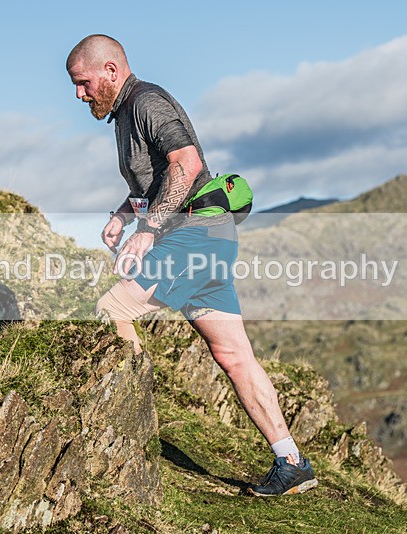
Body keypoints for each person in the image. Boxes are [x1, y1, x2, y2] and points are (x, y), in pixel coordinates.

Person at [66, 34, 317, 496]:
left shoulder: (146, 102)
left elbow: (187, 164)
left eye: (82, 83)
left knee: (112, 310)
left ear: (111, 71)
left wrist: (147, 229)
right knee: (235, 357)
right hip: (211, 239)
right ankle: (292, 462)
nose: (79, 94)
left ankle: (129, 430)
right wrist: (124, 215)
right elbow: (162, 177)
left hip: (195, 235)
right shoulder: (127, 113)